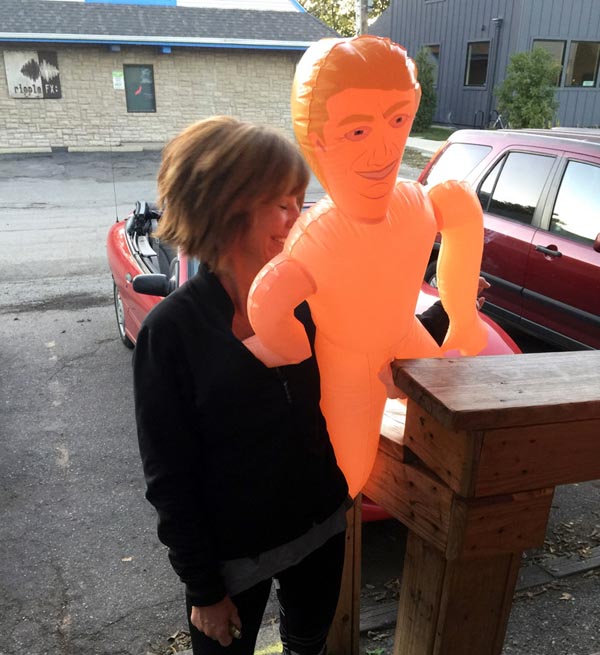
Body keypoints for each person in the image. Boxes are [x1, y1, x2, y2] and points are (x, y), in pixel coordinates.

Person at [133, 116, 350, 655]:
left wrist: (441, 317)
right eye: (281, 204)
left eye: (298, 201)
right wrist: (203, 589)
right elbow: (169, 476)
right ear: (226, 207)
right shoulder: (172, 332)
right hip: (229, 561)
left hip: (321, 529)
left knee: (308, 645)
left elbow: (361, 356)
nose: (297, 218)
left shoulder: (308, 302)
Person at [247, 35, 488, 497]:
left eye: (398, 121)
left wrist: (462, 314)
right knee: (351, 474)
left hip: (404, 335)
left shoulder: (412, 205)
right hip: (348, 360)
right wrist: (293, 345)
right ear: (318, 140)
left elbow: (460, 207)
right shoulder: (320, 239)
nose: (384, 151)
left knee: (456, 424)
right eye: (357, 132)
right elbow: (271, 300)